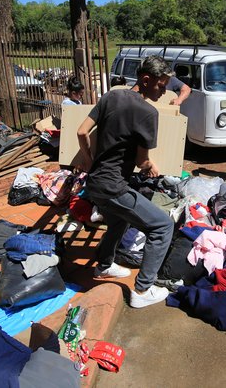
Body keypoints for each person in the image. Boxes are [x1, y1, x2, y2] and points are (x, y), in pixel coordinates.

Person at [77, 55, 175, 309]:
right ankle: (143, 289)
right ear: (145, 80)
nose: (164, 91)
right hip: (113, 186)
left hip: (95, 183)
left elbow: (81, 131)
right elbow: (142, 160)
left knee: (119, 220)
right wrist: (149, 166)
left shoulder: (111, 96)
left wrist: (88, 161)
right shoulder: (148, 112)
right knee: (162, 226)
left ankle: (104, 265)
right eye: (161, 85)